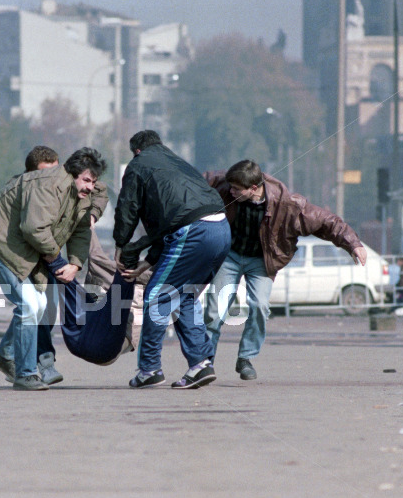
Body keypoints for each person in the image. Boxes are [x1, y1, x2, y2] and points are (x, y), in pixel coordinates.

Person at [203, 159, 367, 381]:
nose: (230, 193)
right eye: (230, 188)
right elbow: (195, 182)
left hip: (261, 260)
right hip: (230, 255)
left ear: (253, 188)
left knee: (259, 305)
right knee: (215, 309)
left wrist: (353, 243)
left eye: (236, 190)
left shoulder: (286, 204)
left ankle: (246, 358)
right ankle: (204, 360)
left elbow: (326, 221)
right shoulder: (223, 184)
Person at [0, 147, 106, 391]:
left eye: (93, 182)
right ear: (73, 174)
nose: (90, 187)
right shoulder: (49, 185)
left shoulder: (79, 193)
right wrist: (58, 262)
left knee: (40, 305)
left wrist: (75, 264)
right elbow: (34, 229)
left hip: (24, 245)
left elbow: (80, 230)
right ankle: (26, 374)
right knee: (30, 305)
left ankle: (5, 354)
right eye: (87, 180)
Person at [113, 130, 231, 390]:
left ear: (137, 151)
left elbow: (128, 206)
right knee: (183, 295)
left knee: (156, 296)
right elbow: (174, 215)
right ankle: (201, 364)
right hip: (221, 229)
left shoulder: (138, 165)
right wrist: (152, 259)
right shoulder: (178, 162)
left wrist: (120, 244)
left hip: (194, 231)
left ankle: (149, 369)